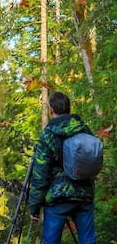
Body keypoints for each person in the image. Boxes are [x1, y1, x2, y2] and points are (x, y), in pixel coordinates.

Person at [27, 91, 96, 244]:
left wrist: (34, 207)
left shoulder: (48, 135)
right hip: (84, 194)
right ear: (68, 109)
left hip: (57, 197)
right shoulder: (84, 130)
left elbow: (40, 176)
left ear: (51, 110)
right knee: (89, 240)